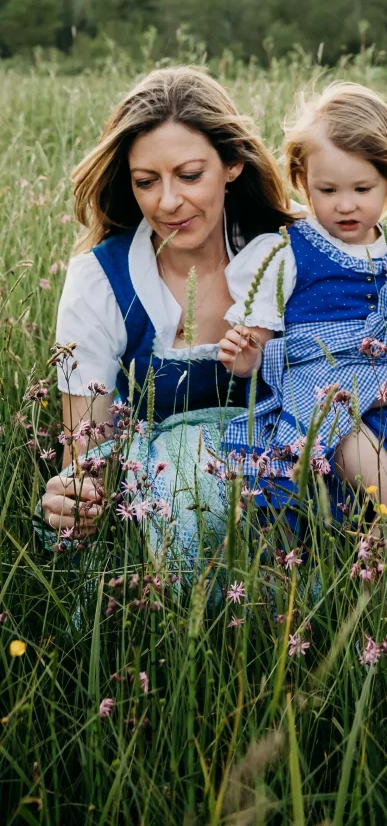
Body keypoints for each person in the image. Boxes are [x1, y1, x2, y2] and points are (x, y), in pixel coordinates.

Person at [39, 67, 296, 570]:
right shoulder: (101, 281)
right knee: (185, 473)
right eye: (146, 182)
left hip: (287, 483)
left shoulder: (290, 252)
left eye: (190, 175)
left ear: (233, 165)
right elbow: (85, 454)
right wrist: (72, 498)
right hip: (163, 498)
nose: (168, 201)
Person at [218, 82, 387, 528]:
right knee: (346, 429)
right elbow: (259, 347)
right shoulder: (286, 250)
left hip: (380, 382)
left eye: (362, 188)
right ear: (302, 183)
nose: (346, 204)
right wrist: (244, 359)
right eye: (328, 189)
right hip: (316, 387)